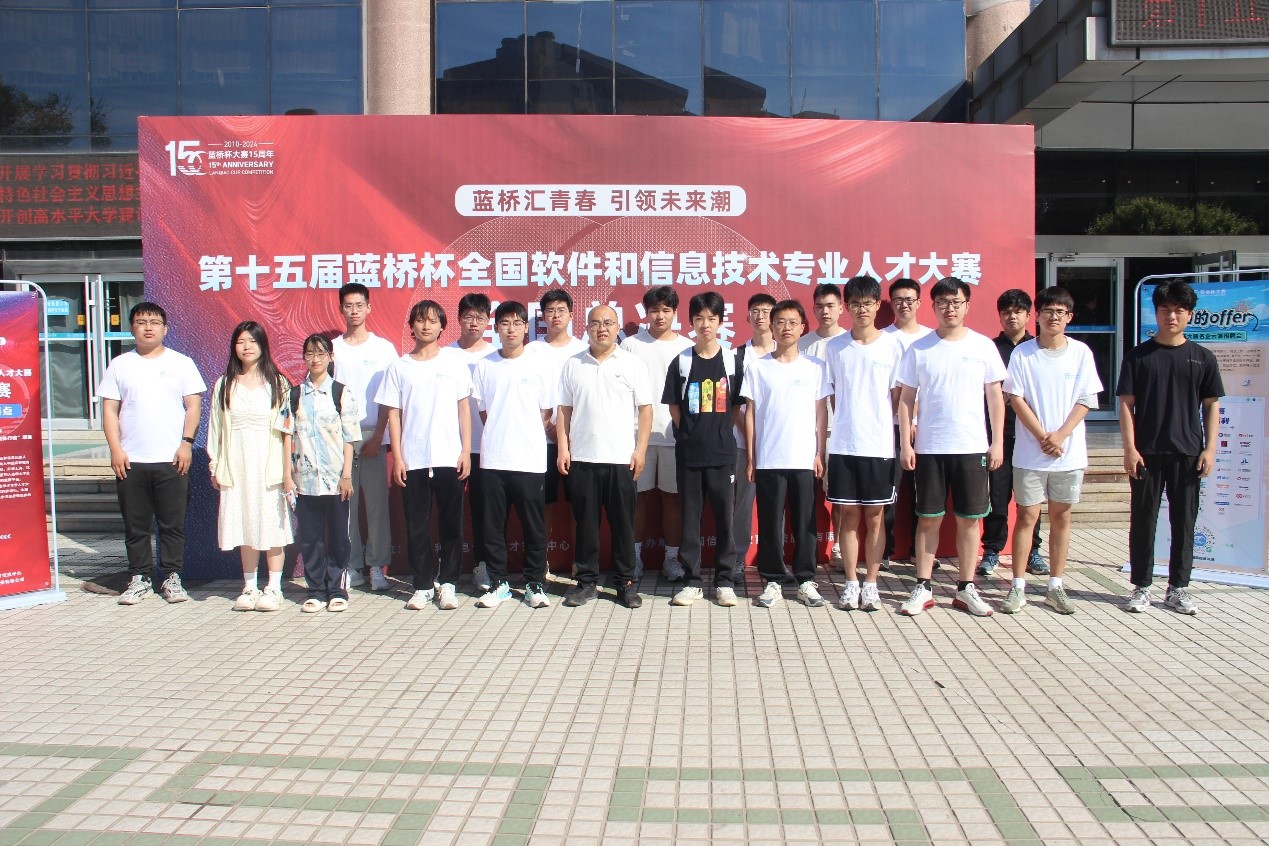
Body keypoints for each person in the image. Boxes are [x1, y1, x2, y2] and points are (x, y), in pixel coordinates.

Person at [895, 277, 1007, 618]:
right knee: (928, 518)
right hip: (930, 447)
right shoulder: (920, 348)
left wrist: (997, 442)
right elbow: (906, 399)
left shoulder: (983, 346)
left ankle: (966, 588)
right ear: (933, 306)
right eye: (943, 302)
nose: (950, 308)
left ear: (967, 306)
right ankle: (923, 586)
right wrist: (906, 444)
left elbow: (995, 398)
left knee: (969, 520)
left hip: (971, 446)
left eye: (956, 302)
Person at [1117, 279, 1222, 615]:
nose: (1171, 316)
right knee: (1143, 521)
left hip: (1188, 452)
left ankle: (1178, 588)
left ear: (1189, 315)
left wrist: (1210, 449)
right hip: (1146, 453)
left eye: (1179, 310)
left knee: (1184, 522)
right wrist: (1130, 448)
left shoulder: (1202, 358)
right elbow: (1126, 404)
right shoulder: (1138, 356)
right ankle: (1141, 587)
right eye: (1165, 309)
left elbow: (1211, 405)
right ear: (1156, 312)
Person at [1000, 287, 1102, 614]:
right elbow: (1015, 398)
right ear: (1038, 315)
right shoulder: (1023, 354)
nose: (1053, 317)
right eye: (1047, 311)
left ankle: (1055, 586)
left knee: (1061, 517)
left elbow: (1086, 399)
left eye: (1060, 312)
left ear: (1069, 317)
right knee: (1027, 516)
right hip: (1030, 453)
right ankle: (1017, 586)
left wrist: (1061, 435)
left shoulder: (1081, 353)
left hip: (1069, 454)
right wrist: (1044, 436)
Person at [100, 302, 205, 606]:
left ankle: (172, 577)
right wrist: (115, 449)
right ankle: (139, 578)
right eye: (142, 322)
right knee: (136, 526)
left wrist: (186, 443)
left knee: (172, 524)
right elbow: (110, 410)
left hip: (172, 458)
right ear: (132, 327)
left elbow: (193, 406)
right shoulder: (120, 364)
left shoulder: (181, 363)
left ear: (165, 329)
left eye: (154, 322)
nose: (148, 327)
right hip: (131, 459)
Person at [376, 300, 473, 611]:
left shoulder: (454, 364)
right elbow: (393, 414)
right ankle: (422, 585)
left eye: (432, 321)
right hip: (413, 458)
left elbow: (463, 409)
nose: (426, 326)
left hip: (449, 457)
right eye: (420, 320)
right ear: (412, 326)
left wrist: (465, 451)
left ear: (442, 326)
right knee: (416, 525)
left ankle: (449, 583)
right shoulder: (399, 367)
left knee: (451, 524)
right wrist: (398, 457)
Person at [557, 304, 653, 608]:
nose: (602, 328)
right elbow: (564, 410)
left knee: (623, 525)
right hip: (583, 458)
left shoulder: (632, 363)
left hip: (621, 459)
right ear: (586, 328)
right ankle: (586, 582)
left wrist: (640, 450)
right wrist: (563, 448)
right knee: (586, 525)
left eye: (608, 323)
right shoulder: (573, 364)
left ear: (617, 328)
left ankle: (625, 584)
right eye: (596, 323)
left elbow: (646, 409)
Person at [822, 277, 903, 612]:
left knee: (876, 517)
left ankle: (871, 583)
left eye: (867, 303)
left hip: (879, 446)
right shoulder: (835, 348)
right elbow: (833, 396)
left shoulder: (892, 346)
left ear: (877, 305)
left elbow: (897, 396)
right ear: (847, 307)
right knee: (848, 516)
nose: (861, 310)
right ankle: (851, 582)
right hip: (845, 445)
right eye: (855, 304)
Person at [742, 299, 830, 608]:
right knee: (770, 522)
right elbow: (750, 413)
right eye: (780, 322)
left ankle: (806, 579)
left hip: (804, 457)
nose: (786, 328)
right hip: (769, 458)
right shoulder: (758, 367)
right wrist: (752, 457)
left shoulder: (815, 367)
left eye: (793, 322)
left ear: (803, 327)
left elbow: (821, 413)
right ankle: (772, 580)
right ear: (772, 326)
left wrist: (819, 453)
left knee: (805, 521)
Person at [471, 300, 556, 609]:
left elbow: (546, 412)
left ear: (525, 328)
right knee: (493, 526)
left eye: (517, 323)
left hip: (530, 458)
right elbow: (484, 412)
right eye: (504, 323)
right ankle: (499, 583)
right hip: (493, 458)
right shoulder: (485, 365)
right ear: (496, 329)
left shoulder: (539, 365)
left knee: (534, 526)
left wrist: (525, 432)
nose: (511, 329)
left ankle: (534, 583)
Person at [663, 292, 743, 607]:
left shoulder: (732, 361)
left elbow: (736, 406)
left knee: (725, 519)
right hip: (689, 455)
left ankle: (724, 581)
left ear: (720, 321)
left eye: (711, 318)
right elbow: (674, 404)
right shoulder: (682, 361)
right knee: (690, 520)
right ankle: (692, 581)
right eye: (699, 318)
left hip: (723, 455)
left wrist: (719, 431)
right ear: (691, 322)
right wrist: (689, 433)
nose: (705, 324)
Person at [208, 321, 294, 612]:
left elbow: (287, 431)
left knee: (272, 525)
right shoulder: (224, 384)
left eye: (252, 341)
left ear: (263, 345)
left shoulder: (278, 383)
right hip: (237, 463)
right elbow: (216, 429)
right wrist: (215, 464)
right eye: (241, 341)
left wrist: (287, 472)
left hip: (269, 464)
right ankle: (249, 586)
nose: (246, 347)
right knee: (244, 523)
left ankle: (274, 587)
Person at [279, 334, 362, 613]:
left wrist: (346, 475)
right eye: (310, 354)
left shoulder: (341, 393)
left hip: (335, 480)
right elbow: (286, 437)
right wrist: (288, 476)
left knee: (339, 536)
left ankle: (337, 589)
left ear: (331, 357)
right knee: (310, 538)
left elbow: (350, 438)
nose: (315, 359)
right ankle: (314, 590)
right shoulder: (293, 395)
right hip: (304, 480)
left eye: (321, 353)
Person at [620, 286, 692, 580]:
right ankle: (634, 559)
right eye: (654, 310)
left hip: (675, 437)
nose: (660, 316)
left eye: (666, 310)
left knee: (673, 500)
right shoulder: (630, 345)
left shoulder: (687, 347)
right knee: (639, 499)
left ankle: (671, 559)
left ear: (675, 313)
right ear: (645, 312)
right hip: (638, 437)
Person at [333, 283, 398, 592]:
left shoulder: (383, 349)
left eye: (359, 305)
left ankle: (377, 566)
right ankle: (351, 565)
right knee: (346, 505)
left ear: (369, 308)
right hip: (340, 438)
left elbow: (391, 398)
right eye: (348, 305)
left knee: (377, 506)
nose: (354, 311)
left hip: (373, 434)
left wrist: (380, 434)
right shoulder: (332, 348)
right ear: (341, 309)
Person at [978, 288, 1045, 578]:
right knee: (997, 496)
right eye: (1006, 312)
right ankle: (992, 550)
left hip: (1031, 436)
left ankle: (1033, 551)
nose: (1012, 317)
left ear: (1029, 315)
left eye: (1018, 311)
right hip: (1000, 436)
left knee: (1031, 498)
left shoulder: (1038, 349)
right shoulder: (990, 349)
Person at [526, 288, 588, 569]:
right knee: (543, 504)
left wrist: (566, 431)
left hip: (577, 441)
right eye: (550, 311)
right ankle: (541, 565)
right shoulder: (531, 351)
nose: (555, 316)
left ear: (571, 315)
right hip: (540, 442)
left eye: (561, 310)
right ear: (542, 316)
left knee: (579, 505)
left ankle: (580, 563)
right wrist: (548, 426)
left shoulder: (582, 350)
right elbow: (526, 393)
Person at [883, 278, 933, 567]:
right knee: (890, 491)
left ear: (919, 303)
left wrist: (915, 419)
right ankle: (885, 550)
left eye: (909, 299)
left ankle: (919, 551)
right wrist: (903, 419)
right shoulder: (883, 338)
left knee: (923, 492)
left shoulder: (931, 338)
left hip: (927, 426)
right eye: (898, 300)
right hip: (890, 425)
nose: (904, 305)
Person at [799, 282, 848, 570]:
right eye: (819, 306)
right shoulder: (802, 344)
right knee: (805, 493)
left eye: (830, 305)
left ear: (841, 308)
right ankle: (803, 549)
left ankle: (839, 547)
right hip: (806, 429)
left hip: (839, 430)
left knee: (839, 495)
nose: (825, 311)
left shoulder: (850, 342)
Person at [449, 292, 496, 592]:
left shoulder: (495, 356)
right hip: (450, 447)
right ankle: (449, 572)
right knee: (451, 511)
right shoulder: (445, 355)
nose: (474, 323)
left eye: (480, 317)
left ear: (488, 321)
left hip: (487, 448)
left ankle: (483, 566)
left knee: (484, 511)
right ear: (458, 319)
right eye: (468, 317)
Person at [733, 293, 777, 574]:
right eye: (755, 310)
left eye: (766, 310)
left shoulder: (786, 353)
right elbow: (735, 406)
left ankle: (775, 560)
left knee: (776, 504)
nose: (761, 316)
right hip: (742, 444)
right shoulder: (737, 356)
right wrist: (752, 440)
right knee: (741, 504)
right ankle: (737, 558)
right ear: (747, 316)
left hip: (778, 445)